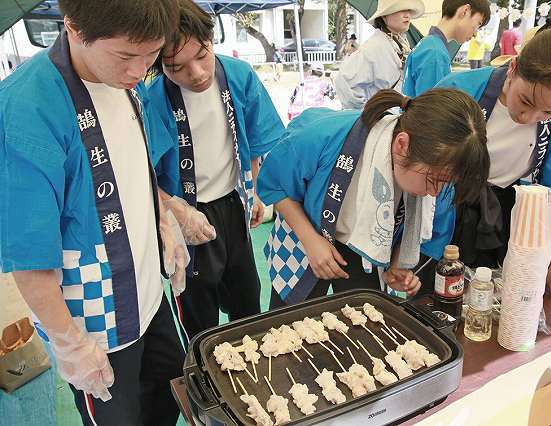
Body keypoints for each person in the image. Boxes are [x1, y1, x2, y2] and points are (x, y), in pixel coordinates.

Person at [0, 1, 190, 425]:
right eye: (126, 56)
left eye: (152, 54)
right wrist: (71, 345)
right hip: (94, 324)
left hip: (146, 293)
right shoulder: (26, 109)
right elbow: (29, 256)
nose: (140, 71)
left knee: (169, 392)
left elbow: (134, 169)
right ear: (73, 27)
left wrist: (164, 216)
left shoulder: (126, 80)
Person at [417, 28, 551, 309]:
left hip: (506, 212)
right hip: (444, 203)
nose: (528, 117)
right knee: (434, 297)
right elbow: (421, 167)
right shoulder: (460, 89)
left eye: (548, 113)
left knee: (494, 300)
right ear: (513, 67)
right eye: (526, 101)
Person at [258, 88, 490, 308]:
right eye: (435, 180)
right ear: (402, 144)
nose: (436, 193)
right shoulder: (323, 135)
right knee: (287, 324)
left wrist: (399, 265)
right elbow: (277, 184)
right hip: (305, 230)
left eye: (447, 183)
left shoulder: (440, 173)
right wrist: (310, 240)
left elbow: (431, 227)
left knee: (365, 322)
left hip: (368, 246)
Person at [148, 0, 285, 338]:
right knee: (199, 312)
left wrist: (252, 194)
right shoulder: (152, 98)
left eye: (202, 54)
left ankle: (252, 372)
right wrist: (171, 211)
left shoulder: (238, 76)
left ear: (212, 39)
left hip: (232, 203)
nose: (195, 73)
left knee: (247, 298)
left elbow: (254, 139)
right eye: (175, 67)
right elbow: (141, 174)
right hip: (187, 214)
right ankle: (206, 382)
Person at [335, 0, 425, 109]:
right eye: (400, 10)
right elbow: (344, 81)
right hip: (382, 120)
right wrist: (366, 114)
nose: (407, 15)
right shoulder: (374, 46)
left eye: (408, 10)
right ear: (384, 16)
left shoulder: (399, 42)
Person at [403, 0, 491, 97]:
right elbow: (431, 108)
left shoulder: (429, 44)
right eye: (478, 24)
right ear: (465, 11)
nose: (475, 33)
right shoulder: (435, 52)